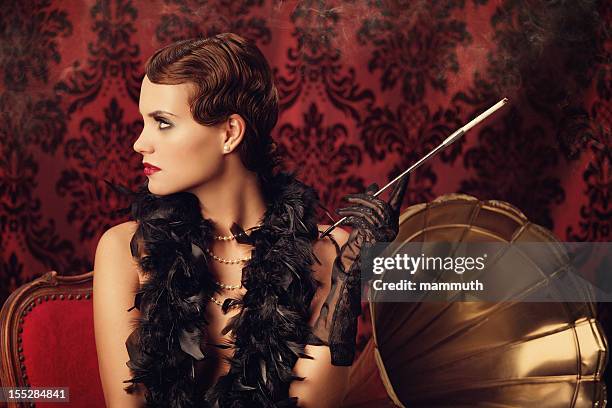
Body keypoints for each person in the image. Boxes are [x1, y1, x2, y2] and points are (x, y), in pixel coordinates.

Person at [92, 32, 407, 408]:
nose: (139, 144)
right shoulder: (127, 249)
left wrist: (347, 286)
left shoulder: (326, 251)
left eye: (162, 122)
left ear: (230, 133)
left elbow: (310, 403)